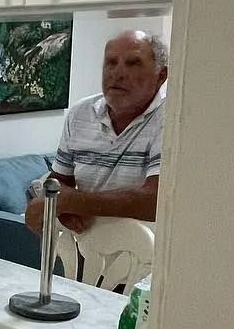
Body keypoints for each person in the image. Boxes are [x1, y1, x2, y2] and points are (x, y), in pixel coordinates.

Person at [24, 29, 168, 238]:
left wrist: (74, 202)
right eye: (111, 62)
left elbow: (155, 201)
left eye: (133, 63)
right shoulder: (80, 114)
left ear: (161, 75)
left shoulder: (171, 120)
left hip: (146, 259)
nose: (117, 73)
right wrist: (60, 210)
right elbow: (58, 182)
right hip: (85, 253)